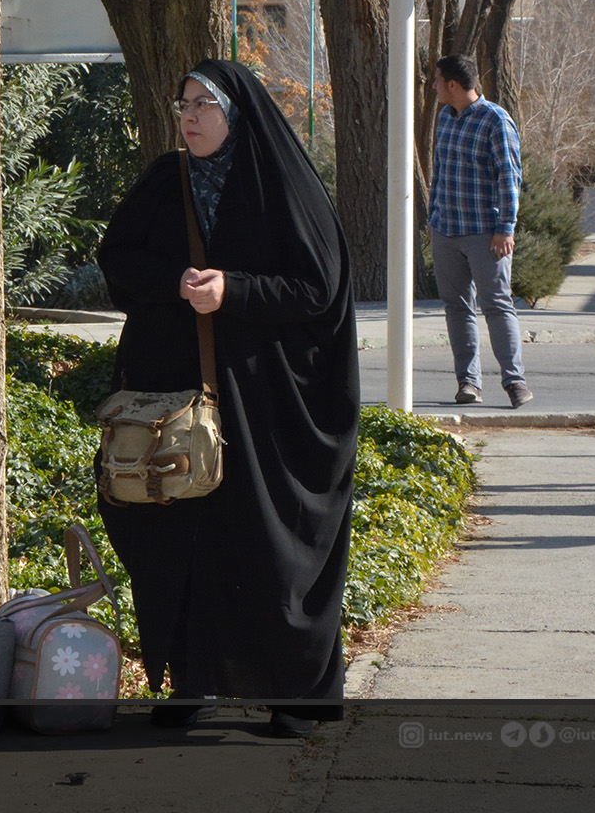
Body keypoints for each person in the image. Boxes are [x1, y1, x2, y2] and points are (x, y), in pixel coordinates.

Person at [96, 59, 359, 739]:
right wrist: (176, 282)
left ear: (236, 113)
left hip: (264, 408)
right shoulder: (167, 181)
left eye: (203, 105)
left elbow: (319, 287)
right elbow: (118, 261)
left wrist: (232, 291)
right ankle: (193, 683)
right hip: (175, 407)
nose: (189, 117)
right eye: (183, 104)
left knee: (267, 546)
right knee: (180, 539)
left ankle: (296, 696)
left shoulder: (280, 184)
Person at [427, 54, 533, 408]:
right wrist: (433, 218)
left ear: (453, 84)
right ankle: (468, 383)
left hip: (486, 234)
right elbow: (439, 170)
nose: (434, 86)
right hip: (446, 230)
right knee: (457, 308)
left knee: (497, 305)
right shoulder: (445, 117)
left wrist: (505, 228)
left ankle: (515, 382)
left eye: (438, 80)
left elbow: (510, 177)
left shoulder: (496, 120)